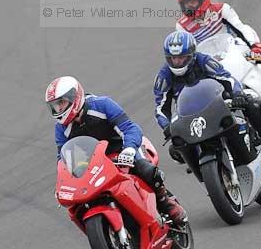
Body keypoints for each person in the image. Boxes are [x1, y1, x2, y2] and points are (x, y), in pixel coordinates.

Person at [45, 75, 187, 226]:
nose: (59, 109)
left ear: (75, 96)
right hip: (95, 161)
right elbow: (63, 158)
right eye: (55, 106)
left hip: (123, 149)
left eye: (61, 102)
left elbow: (130, 128)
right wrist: (63, 181)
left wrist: (129, 149)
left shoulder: (102, 104)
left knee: (146, 170)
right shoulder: (61, 128)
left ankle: (166, 202)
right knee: (78, 200)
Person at [154, 30, 261, 162]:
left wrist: (237, 94)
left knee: (253, 103)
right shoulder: (164, 76)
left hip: (217, 102)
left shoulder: (204, 61)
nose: (177, 62)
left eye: (181, 57)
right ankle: (199, 167)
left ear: (192, 55)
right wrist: (167, 126)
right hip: (188, 114)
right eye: (173, 58)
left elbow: (228, 78)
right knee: (176, 148)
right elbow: (160, 107)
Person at [174, 0, 261, 101]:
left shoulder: (222, 9)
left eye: (192, 2)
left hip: (234, 50)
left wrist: (254, 46)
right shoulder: (182, 26)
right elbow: (188, 51)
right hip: (208, 60)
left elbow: (241, 28)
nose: (188, 7)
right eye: (185, 3)